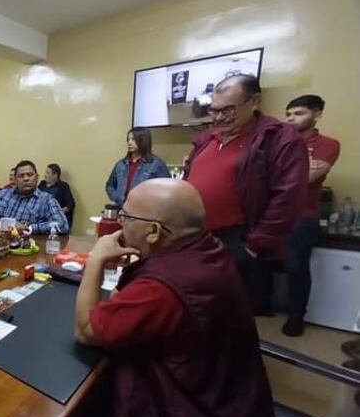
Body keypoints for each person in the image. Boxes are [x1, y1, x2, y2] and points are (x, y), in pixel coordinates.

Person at [74, 179, 274, 417]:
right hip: (240, 405)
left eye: (125, 216)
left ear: (154, 231)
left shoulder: (162, 289)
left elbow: (85, 329)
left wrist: (95, 260)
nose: (120, 223)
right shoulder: (207, 249)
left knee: (89, 409)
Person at [184, 75, 308, 314]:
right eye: (214, 110)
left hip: (239, 240)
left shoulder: (279, 138)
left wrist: (256, 244)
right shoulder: (207, 137)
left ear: (254, 101)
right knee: (201, 309)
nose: (219, 117)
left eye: (227, 110)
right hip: (200, 237)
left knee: (233, 315)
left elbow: (289, 196)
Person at [282, 95, 340, 336]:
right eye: (288, 114)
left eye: (299, 113)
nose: (291, 119)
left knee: (296, 267)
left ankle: (297, 316)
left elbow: (308, 179)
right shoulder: (280, 140)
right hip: (273, 212)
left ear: (317, 114)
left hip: (303, 215)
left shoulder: (328, 143)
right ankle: (261, 305)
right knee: (259, 262)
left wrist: (279, 170)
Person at [0, 160, 69, 234]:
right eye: (21, 176)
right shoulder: (1, 195)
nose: (26, 179)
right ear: (15, 179)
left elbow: (62, 225)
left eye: (30, 175)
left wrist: (29, 228)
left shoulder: (47, 200)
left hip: (27, 249)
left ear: (37, 177)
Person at [105, 128, 170, 206]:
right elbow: (110, 185)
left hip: (144, 211)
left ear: (143, 140)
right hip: (122, 210)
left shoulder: (156, 164)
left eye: (133, 139)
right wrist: (117, 198)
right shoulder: (121, 164)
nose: (129, 143)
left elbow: (166, 190)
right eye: (128, 140)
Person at [38, 163, 76, 227]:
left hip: (55, 218)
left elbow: (70, 203)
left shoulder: (63, 186)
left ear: (55, 175)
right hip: (41, 217)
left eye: (47, 173)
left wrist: (59, 212)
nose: (45, 175)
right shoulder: (42, 184)